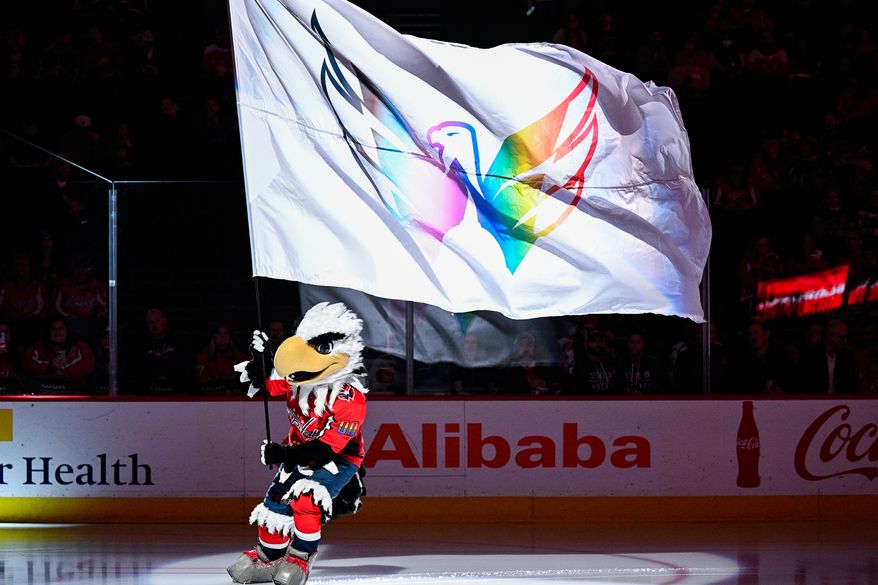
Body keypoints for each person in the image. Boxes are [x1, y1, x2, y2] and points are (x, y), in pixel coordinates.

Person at [228, 302, 368, 585]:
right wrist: (262, 359)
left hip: (338, 459)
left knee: (306, 502)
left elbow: (327, 448)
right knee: (274, 503)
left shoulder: (351, 399)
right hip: (296, 451)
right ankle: (268, 557)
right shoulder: (298, 380)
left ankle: (300, 558)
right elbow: (265, 384)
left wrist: (282, 453)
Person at [21, 319, 95, 392]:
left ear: (67, 331)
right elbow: (27, 365)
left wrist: (65, 372)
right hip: (42, 394)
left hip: (74, 394)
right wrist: (49, 368)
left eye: (61, 328)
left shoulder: (81, 347)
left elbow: (88, 365)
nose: (57, 331)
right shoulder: (37, 347)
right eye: (53, 329)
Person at [796, 318, 857, 394]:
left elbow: (851, 386)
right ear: (830, 335)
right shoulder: (810, 356)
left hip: (841, 402)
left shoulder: (846, 357)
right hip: (815, 401)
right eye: (842, 337)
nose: (845, 341)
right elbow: (803, 385)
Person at [195, 324, 247, 392]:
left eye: (226, 333)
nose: (223, 336)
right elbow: (201, 382)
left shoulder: (240, 357)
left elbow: (244, 382)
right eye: (219, 333)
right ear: (214, 336)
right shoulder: (203, 357)